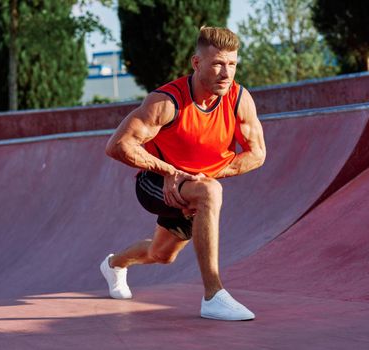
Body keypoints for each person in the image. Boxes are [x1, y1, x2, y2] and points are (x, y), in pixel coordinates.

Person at [101, 26, 266, 321]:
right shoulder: (167, 102)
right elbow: (117, 145)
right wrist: (170, 172)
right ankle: (214, 296)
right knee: (210, 192)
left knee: (161, 254)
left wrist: (201, 175)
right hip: (155, 183)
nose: (225, 73)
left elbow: (257, 154)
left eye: (231, 64)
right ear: (196, 62)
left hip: (193, 184)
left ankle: (114, 264)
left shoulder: (239, 99)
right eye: (217, 63)